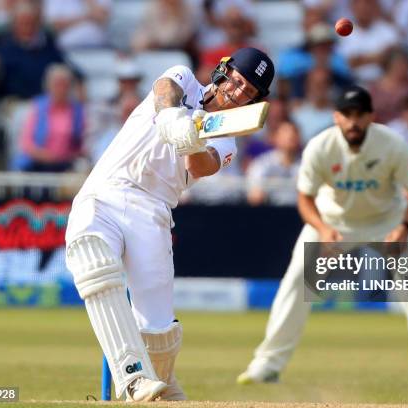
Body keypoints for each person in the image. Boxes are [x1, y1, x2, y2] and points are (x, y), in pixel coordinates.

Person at [64, 47, 274, 402]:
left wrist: (189, 140)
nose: (238, 92)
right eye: (237, 82)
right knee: (94, 265)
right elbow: (165, 90)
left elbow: (200, 167)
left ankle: (162, 387)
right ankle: (132, 378)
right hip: (107, 190)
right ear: (223, 71)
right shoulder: (185, 80)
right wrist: (172, 118)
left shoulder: (227, 140)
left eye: (248, 92)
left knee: (158, 328)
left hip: (153, 211)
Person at [237, 85, 408, 390]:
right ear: (336, 117)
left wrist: (404, 229)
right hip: (332, 221)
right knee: (296, 281)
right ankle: (266, 364)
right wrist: (323, 229)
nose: (353, 122)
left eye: (360, 115)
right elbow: (305, 198)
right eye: (347, 115)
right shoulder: (320, 146)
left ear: (371, 116)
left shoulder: (392, 144)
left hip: (387, 221)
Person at [13, 64, 85, 171]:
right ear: (48, 85)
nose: (60, 89)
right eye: (57, 84)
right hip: (39, 163)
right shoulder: (37, 107)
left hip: (66, 164)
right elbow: (26, 143)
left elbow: (82, 144)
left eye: (64, 85)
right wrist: (45, 156)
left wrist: (66, 156)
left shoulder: (78, 110)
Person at [246, 121, 302, 206]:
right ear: (276, 138)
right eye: (285, 133)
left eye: (294, 133)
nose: (291, 136)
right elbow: (254, 195)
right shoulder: (262, 163)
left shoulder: (306, 165)